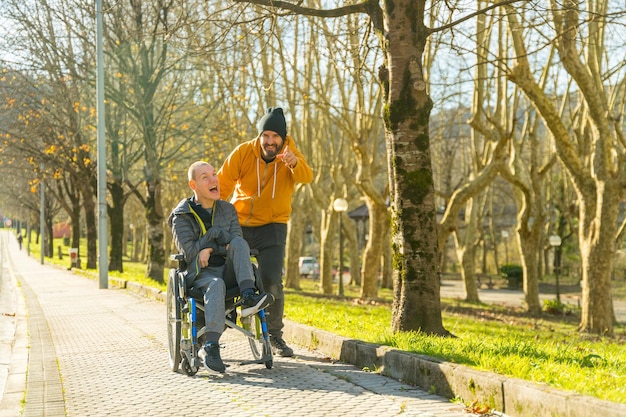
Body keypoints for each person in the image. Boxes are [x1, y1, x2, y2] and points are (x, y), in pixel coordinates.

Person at [218, 107, 313, 357]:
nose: (270, 141)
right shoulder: (243, 152)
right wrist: (213, 214)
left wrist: (294, 163)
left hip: (273, 226)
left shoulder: (289, 154)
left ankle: (274, 336)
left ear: (283, 138)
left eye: (275, 137)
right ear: (260, 136)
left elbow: (307, 176)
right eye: (266, 136)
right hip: (239, 224)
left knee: (272, 281)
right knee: (229, 273)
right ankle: (226, 316)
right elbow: (223, 183)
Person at [168, 161, 274, 373]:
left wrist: (208, 247)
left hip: (228, 270)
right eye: (205, 177)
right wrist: (214, 238)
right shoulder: (181, 216)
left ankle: (248, 296)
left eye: (214, 174)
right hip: (201, 276)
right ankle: (211, 347)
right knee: (215, 284)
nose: (213, 179)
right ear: (193, 184)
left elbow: (235, 241)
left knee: (239, 244)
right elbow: (190, 254)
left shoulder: (228, 209)